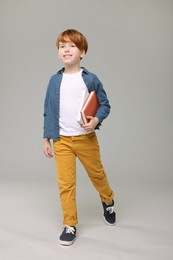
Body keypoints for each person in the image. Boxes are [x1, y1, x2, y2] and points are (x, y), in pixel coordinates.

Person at [43, 29, 116, 246]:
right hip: (62, 140)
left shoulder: (90, 79)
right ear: (58, 52)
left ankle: (108, 200)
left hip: (86, 139)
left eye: (72, 46)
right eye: (62, 46)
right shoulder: (54, 81)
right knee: (65, 184)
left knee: (97, 175)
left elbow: (104, 104)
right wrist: (46, 138)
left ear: (82, 52)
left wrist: (95, 121)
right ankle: (70, 224)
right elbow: (47, 109)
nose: (66, 49)